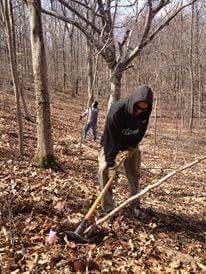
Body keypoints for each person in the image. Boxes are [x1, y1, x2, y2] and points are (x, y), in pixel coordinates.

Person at [98, 85, 153, 216]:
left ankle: (134, 203)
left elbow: (141, 131)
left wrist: (133, 147)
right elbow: (110, 138)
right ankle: (108, 208)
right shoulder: (117, 111)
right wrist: (111, 163)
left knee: (134, 173)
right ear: (133, 101)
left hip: (130, 145)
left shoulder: (145, 112)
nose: (139, 111)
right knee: (104, 169)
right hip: (111, 144)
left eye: (143, 109)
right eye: (138, 107)